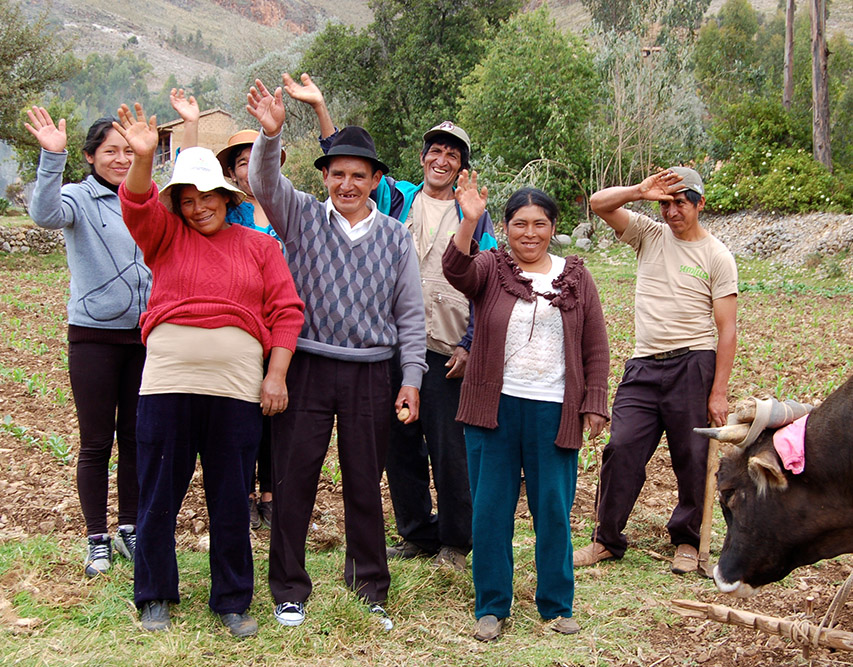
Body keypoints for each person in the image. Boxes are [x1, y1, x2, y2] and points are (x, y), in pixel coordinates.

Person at [283, 73, 497, 570]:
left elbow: (486, 284)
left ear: (462, 164)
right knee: (398, 444)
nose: (441, 160)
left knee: (448, 448)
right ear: (422, 158)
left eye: (452, 154)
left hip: (445, 348)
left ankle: (454, 540)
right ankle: (416, 533)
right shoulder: (396, 198)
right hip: (391, 345)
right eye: (434, 151)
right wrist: (320, 108)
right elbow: (347, 169)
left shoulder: (476, 216)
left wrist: (469, 343)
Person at [113, 102, 304, 637]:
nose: (198, 210)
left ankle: (232, 602)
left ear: (227, 197)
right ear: (177, 204)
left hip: (235, 389)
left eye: (207, 199)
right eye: (187, 201)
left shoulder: (260, 247)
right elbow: (135, 204)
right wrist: (145, 158)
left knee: (228, 499)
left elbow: (287, 312)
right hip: (168, 384)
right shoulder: (164, 238)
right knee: (157, 495)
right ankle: (153, 595)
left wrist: (276, 374)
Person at [246, 78, 427, 630]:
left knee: (363, 481)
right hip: (305, 367)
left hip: (371, 373)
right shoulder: (300, 217)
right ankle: (289, 590)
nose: (347, 184)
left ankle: (369, 583)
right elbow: (262, 180)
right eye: (338, 174)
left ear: (375, 180)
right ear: (324, 177)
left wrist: (411, 378)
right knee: (294, 479)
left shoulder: (397, 238)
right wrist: (270, 135)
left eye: (359, 175)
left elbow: (410, 318)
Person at [442, 175, 610, 641]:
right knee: (490, 511)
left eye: (539, 224)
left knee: (552, 510)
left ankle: (557, 605)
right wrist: (470, 219)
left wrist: (594, 402)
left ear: (553, 227)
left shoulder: (576, 276)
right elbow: (455, 270)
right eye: (519, 224)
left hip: (553, 410)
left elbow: (595, 345)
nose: (529, 233)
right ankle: (491, 606)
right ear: (508, 227)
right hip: (492, 411)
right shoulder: (491, 269)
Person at [574, 167, 737, 575]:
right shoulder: (649, 234)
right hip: (644, 364)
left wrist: (718, 392)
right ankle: (606, 539)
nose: (672, 211)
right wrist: (639, 192)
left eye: (681, 202)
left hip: (693, 362)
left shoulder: (717, 256)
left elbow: (727, 328)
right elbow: (598, 203)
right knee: (621, 447)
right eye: (666, 203)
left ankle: (686, 539)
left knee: (693, 455)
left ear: (701, 204)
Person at [26, 107, 151, 578]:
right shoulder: (77, 197)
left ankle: (130, 527)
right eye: (110, 152)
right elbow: (43, 214)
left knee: (137, 439)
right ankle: (96, 536)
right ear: (90, 156)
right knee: (96, 442)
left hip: (143, 337)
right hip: (94, 337)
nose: (121, 159)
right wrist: (49, 159)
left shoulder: (145, 197)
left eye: (127, 151)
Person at [169, 89, 286, 529]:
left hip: (278, 326)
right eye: (241, 162)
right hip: (238, 331)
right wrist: (192, 126)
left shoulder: (289, 210)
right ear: (231, 172)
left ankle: (271, 493)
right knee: (240, 411)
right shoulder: (221, 215)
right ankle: (245, 492)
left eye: (257, 159)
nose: (250, 169)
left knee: (274, 411)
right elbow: (184, 182)